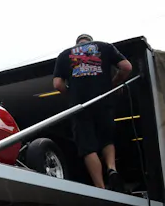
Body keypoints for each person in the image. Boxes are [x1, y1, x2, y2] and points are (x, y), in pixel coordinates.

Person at [52, 34, 132, 191]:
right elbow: (126, 67)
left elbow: (57, 84)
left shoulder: (64, 55)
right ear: (90, 41)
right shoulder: (105, 47)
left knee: (87, 146)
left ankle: (100, 186)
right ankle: (111, 168)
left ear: (77, 43)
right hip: (103, 101)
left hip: (80, 106)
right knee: (106, 139)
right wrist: (113, 84)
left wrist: (71, 94)